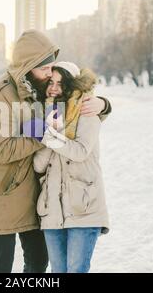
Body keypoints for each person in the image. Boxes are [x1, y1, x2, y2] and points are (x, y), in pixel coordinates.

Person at [0, 30, 112, 273]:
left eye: (52, 67)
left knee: (39, 263)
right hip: (6, 193)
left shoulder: (40, 87)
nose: (50, 74)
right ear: (28, 66)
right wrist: (43, 134)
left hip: (38, 194)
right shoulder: (0, 95)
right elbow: (2, 150)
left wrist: (103, 105)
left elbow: (73, 100)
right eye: (45, 68)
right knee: (0, 266)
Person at [32, 62, 110, 273]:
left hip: (83, 208)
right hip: (52, 212)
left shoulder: (87, 111)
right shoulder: (47, 115)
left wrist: (50, 135)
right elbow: (38, 165)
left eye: (61, 82)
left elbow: (80, 151)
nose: (54, 87)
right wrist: (50, 131)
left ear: (71, 85)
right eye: (51, 82)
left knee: (76, 270)